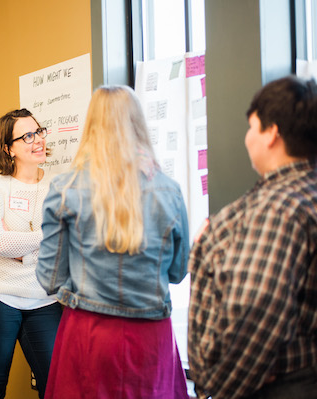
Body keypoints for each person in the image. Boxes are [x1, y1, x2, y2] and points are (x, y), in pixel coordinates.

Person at [36, 85, 190, 399]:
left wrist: (82, 293)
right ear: (138, 123)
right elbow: (177, 272)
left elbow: (49, 278)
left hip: (89, 333)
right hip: (151, 334)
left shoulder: (65, 189)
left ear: (91, 126)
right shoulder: (168, 190)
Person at [188, 76, 317, 399]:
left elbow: (257, 311)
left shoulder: (278, 209)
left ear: (272, 132)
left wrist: (220, 387)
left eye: (252, 127)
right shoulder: (305, 193)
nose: (247, 137)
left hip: (279, 387)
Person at [0, 109, 62, 398]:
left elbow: (66, 242)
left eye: (39, 131)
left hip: (44, 296)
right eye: (27, 136)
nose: (38, 140)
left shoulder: (59, 185)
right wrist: (43, 239)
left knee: (57, 385)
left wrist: (23, 247)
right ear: (9, 148)